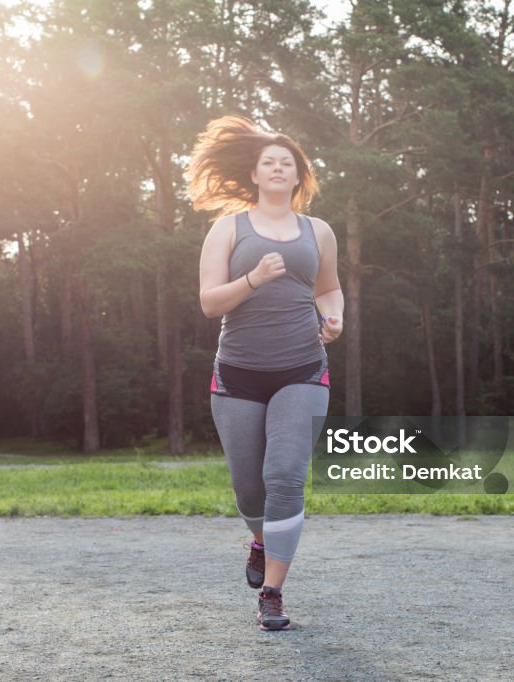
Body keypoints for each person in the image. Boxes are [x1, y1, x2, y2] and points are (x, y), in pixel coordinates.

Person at [190, 116, 344, 631]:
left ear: (299, 175)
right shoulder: (228, 228)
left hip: (302, 369)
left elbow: (328, 288)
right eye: (269, 163)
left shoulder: (317, 231)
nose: (279, 169)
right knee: (249, 492)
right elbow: (211, 303)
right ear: (255, 174)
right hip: (237, 375)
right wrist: (253, 278)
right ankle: (259, 541)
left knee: (284, 478)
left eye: (288, 163)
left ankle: (272, 594)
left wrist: (333, 316)